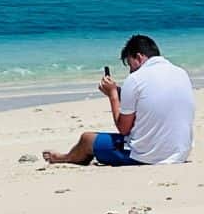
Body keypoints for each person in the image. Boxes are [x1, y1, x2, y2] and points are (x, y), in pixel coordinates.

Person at [42, 34, 195, 166]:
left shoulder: (135, 79)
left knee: (87, 139)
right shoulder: (180, 73)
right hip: (180, 152)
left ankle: (64, 158)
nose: (130, 70)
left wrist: (113, 95)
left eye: (130, 64)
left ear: (139, 57)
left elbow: (123, 128)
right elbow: (152, 103)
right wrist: (122, 93)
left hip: (148, 156)